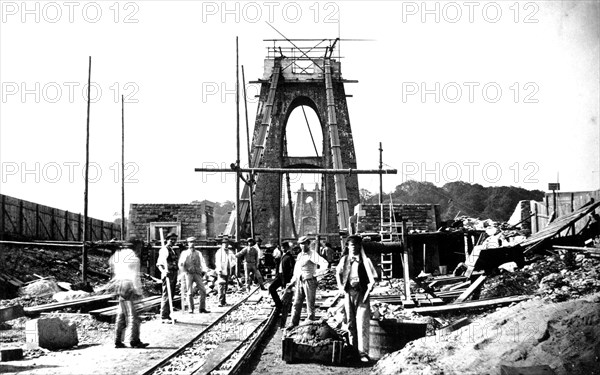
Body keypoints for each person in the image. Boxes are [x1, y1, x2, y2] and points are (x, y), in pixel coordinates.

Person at [335, 235, 377, 363]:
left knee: (362, 323)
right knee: (350, 323)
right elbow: (338, 272)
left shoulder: (366, 261)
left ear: (359, 247)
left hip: (362, 294)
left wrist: (371, 285)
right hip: (349, 293)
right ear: (348, 246)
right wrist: (340, 287)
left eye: (355, 245)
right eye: (351, 245)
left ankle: (363, 353)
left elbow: (374, 276)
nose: (353, 248)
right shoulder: (344, 260)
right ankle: (353, 351)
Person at [110, 238, 149, 348]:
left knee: (121, 313)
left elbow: (112, 267)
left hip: (120, 285)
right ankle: (134, 340)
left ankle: (117, 340)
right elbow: (134, 276)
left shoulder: (118, 255)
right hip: (129, 286)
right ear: (136, 247)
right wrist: (139, 291)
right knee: (134, 315)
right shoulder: (134, 259)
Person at [286, 236, 328, 327]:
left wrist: (316, 274)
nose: (302, 246)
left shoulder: (312, 254)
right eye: (301, 244)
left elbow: (325, 264)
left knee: (310, 303)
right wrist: (292, 281)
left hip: (309, 281)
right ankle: (293, 323)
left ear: (308, 244)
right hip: (300, 281)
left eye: (304, 243)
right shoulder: (300, 255)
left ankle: (310, 322)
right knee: (296, 302)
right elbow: (297, 270)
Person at [178, 237, 209, 313]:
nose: (192, 244)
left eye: (193, 242)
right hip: (188, 274)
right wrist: (183, 270)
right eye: (190, 242)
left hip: (197, 273)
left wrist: (205, 271)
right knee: (189, 292)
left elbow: (203, 263)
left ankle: (202, 308)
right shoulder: (184, 253)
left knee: (203, 290)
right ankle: (191, 308)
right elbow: (181, 264)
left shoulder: (198, 253)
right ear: (188, 244)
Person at [156, 232, 179, 322]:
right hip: (168, 274)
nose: (173, 241)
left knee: (171, 295)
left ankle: (167, 315)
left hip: (174, 273)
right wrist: (163, 272)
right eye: (171, 240)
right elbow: (159, 264)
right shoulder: (164, 250)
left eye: (174, 240)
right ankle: (163, 316)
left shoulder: (172, 249)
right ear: (167, 240)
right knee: (166, 295)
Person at [268, 242, 295, 310]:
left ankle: (288, 308)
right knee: (271, 288)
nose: (283, 248)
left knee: (287, 293)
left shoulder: (289, 257)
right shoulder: (282, 255)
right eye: (282, 247)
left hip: (286, 277)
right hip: (280, 276)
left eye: (284, 247)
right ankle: (279, 305)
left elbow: (293, 268)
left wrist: (290, 278)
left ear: (287, 248)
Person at [215, 237, 236, 307]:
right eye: (224, 243)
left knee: (226, 287)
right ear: (222, 244)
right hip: (221, 271)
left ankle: (224, 301)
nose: (225, 245)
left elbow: (234, 259)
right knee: (221, 286)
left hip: (227, 271)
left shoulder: (230, 252)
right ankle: (220, 302)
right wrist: (219, 269)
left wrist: (231, 266)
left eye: (226, 243)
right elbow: (217, 262)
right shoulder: (219, 252)